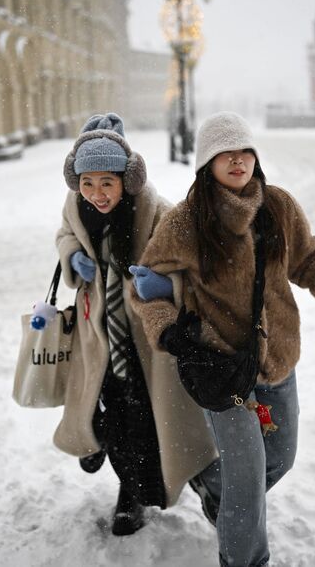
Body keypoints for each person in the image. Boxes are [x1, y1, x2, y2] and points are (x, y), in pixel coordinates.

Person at [130, 111, 315, 565]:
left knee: (279, 458)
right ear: (206, 164)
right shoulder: (186, 222)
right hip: (220, 367)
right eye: (225, 155)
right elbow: (144, 285)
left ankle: (210, 486)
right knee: (247, 475)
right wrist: (169, 330)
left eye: (245, 152)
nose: (238, 161)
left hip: (277, 360)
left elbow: (308, 256)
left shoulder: (278, 206)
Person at [53, 113, 217, 536]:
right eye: (87, 183)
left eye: (106, 182)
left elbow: (192, 268)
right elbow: (64, 233)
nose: (97, 194)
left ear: (128, 178)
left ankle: (135, 492)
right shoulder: (77, 208)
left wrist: (164, 282)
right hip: (97, 333)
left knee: (142, 416)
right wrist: (73, 256)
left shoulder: (159, 213)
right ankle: (99, 442)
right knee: (107, 405)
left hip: (142, 340)